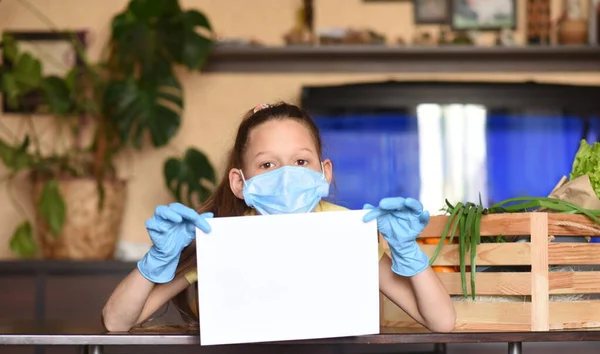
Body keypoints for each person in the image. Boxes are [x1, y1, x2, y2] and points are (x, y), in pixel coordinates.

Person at [102, 102, 456, 333]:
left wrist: (408, 253)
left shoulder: (348, 229)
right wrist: (156, 260)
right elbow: (116, 323)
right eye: (267, 164)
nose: (286, 175)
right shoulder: (221, 237)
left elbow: (441, 321)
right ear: (241, 182)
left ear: (324, 172)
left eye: (301, 161)